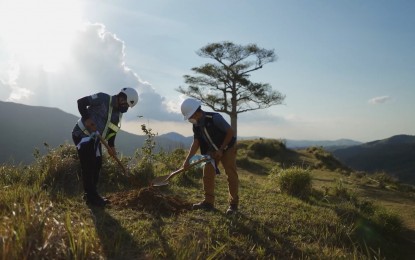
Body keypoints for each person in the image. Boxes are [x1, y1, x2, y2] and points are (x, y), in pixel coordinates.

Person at [72, 87, 138, 207]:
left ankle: (92, 194)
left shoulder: (118, 114)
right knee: (89, 164)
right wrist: (87, 119)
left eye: (128, 107)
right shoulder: (103, 98)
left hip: (96, 139)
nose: (126, 108)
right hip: (82, 134)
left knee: (97, 164)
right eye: (126, 105)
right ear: (122, 97)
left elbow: (112, 131)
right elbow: (81, 102)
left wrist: (111, 146)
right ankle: (92, 198)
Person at [180, 98, 239, 214]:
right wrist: (187, 160)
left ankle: (233, 205)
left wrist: (222, 149)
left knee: (230, 174)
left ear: (196, 112)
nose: (190, 120)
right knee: (207, 173)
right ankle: (208, 202)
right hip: (211, 151)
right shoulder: (196, 125)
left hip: (227, 148)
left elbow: (230, 132)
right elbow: (196, 142)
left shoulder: (214, 118)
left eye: (190, 116)